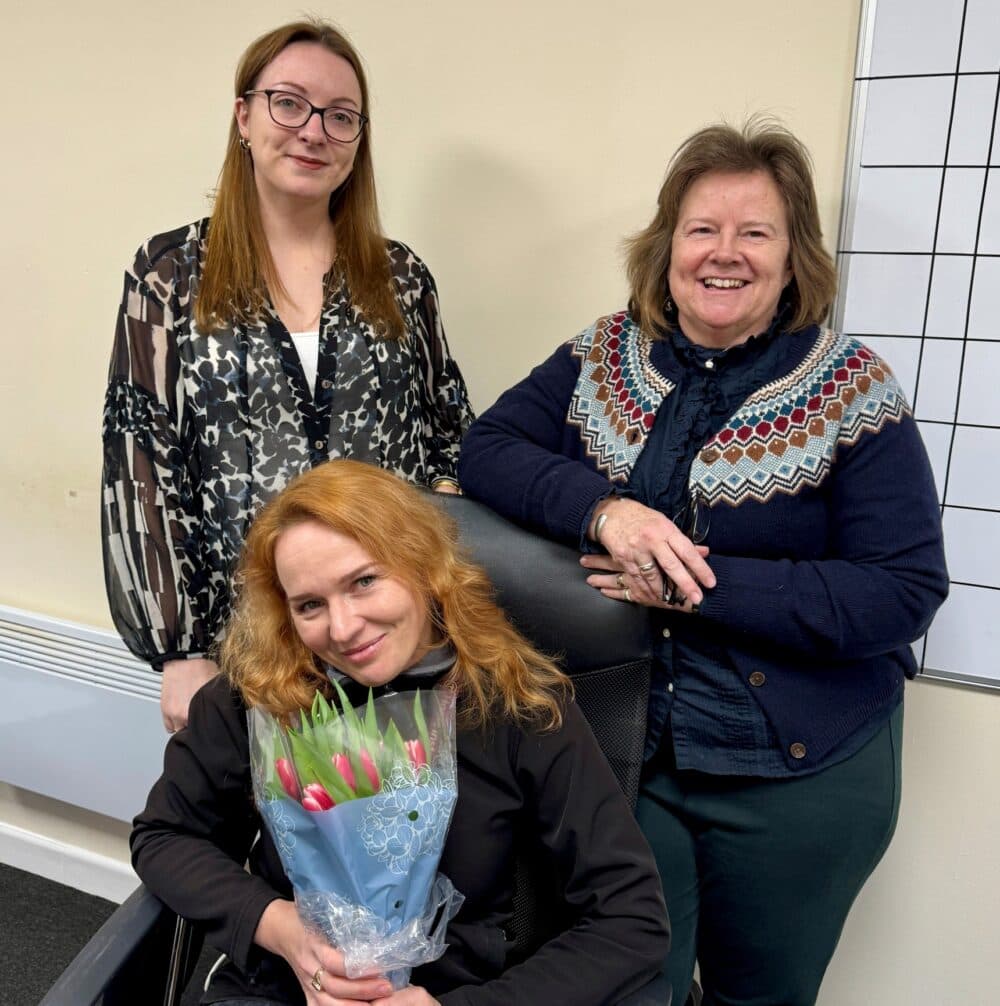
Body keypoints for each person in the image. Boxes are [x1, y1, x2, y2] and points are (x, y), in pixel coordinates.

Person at [458, 119, 949, 1006]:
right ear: (668, 249)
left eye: (756, 232)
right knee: (621, 989)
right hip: (628, 759)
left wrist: (693, 587)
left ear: (794, 257)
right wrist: (604, 511)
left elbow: (901, 592)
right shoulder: (602, 354)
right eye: (702, 230)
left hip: (801, 775)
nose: (726, 254)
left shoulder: (853, 387)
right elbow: (487, 449)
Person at [131, 459, 670, 1006]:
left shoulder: (517, 704)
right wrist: (281, 928)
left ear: (424, 566)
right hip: (286, 986)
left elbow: (631, 919)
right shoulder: (258, 695)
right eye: (310, 605)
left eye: (364, 582)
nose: (342, 629)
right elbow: (164, 836)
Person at [101, 20, 473, 734]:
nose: (313, 132)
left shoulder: (399, 277)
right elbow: (139, 459)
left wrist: (434, 556)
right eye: (289, 103)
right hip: (242, 650)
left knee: (401, 838)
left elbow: (449, 428)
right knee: (263, 840)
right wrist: (176, 650)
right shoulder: (171, 274)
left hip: (389, 642)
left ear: (359, 140)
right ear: (244, 116)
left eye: (340, 117)